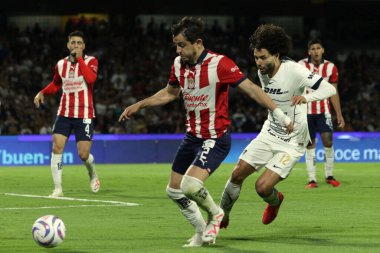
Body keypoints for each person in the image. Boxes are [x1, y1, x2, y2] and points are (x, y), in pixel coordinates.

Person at [118, 17, 292, 247]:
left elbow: (250, 88)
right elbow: (170, 93)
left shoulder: (219, 64)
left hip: (215, 137)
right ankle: (202, 232)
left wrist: (279, 114)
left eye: (182, 45)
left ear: (197, 42)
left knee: (190, 186)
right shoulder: (179, 64)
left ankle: (216, 214)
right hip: (192, 137)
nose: (178, 50)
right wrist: (140, 104)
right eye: (176, 45)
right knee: (173, 190)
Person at [219, 24, 337, 229]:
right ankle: (222, 215)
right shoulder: (262, 71)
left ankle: (276, 201)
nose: (259, 62)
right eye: (256, 57)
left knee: (262, 188)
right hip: (270, 131)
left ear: (277, 54)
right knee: (237, 174)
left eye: (263, 57)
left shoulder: (295, 70)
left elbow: (328, 89)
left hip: (293, 140)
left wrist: (306, 97)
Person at [34, 30, 100, 197]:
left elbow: (91, 79)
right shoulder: (61, 64)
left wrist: (78, 59)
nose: (76, 45)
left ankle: (92, 173)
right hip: (64, 113)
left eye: (79, 43)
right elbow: (56, 84)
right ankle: (58, 189)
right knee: (57, 148)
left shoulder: (91, 61)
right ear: (68, 45)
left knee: (83, 155)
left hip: (84, 114)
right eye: (73, 42)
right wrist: (42, 92)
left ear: (84, 46)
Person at [298, 39, 345, 188]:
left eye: (318, 48)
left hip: (323, 111)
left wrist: (339, 113)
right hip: (305, 112)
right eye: (313, 48)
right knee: (310, 144)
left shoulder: (331, 67)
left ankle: (329, 176)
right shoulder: (301, 65)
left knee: (328, 141)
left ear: (323, 50)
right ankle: (312, 180)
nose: (316, 51)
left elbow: (333, 91)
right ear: (309, 52)